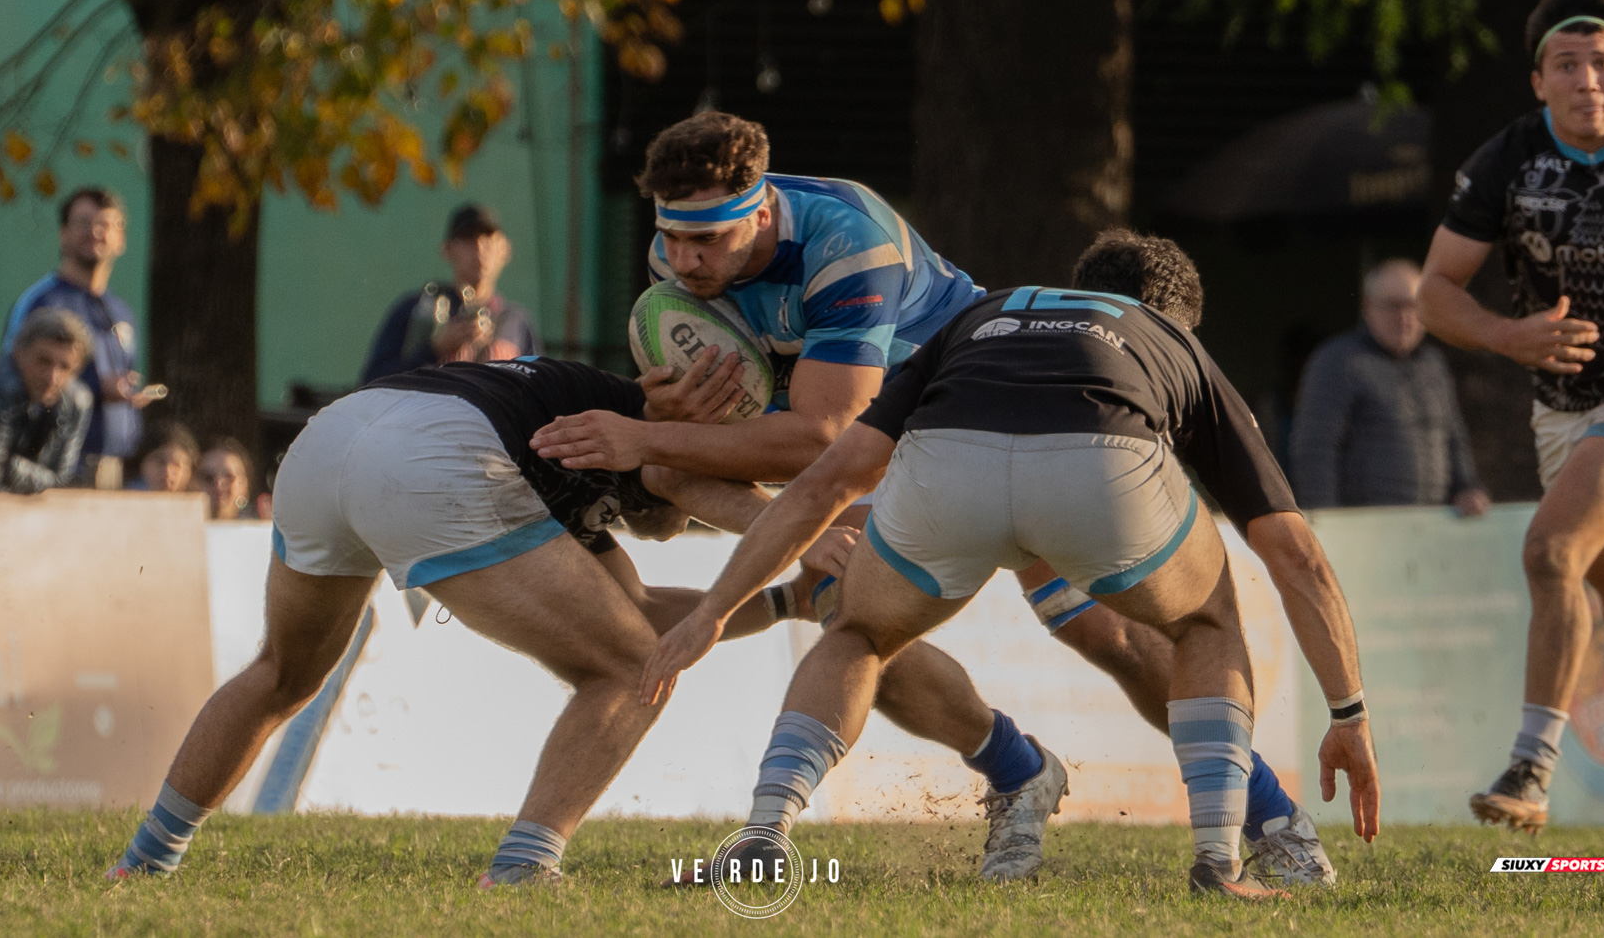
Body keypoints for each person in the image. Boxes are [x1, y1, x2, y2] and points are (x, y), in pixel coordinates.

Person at [530, 115, 1330, 884]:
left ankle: (1270, 821)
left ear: (762, 207)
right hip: (882, 453)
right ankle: (1011, 772)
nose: (685, 260)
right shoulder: (681, 257)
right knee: (834, 596)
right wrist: (668, 415)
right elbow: (742, 424)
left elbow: (823, 436)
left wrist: (647, 437)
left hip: (957, 418)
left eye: (707, 240)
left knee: (1106, 634)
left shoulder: (848, 242)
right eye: (670, 237)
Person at [641, 235, 1381, 899]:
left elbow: (827, 481)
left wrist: (713, 610)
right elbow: (1295, 554)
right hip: (1097, 473)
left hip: (948, 468)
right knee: (1204, 619)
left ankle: (765, 837)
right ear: (1173, 317)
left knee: (859, 631)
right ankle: (1220, 862)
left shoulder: (983, 314)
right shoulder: (1168, 341)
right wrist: (1347, 712)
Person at [107, 354, 853, 888]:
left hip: (329, 439)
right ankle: (524, 868)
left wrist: (787, 599)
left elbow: (649, 612)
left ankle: (144, 859)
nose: (677, 522)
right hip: (436, 452)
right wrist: (811, 534)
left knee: (281, 673)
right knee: (631, 669)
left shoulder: (572, 461)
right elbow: (672, 477)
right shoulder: (641, 436)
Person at [1419, 0, 1604, 832]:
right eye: (1568, 64)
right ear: (1538, 81)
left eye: (1603, 63)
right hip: (1562, 406)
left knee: (1551, 549)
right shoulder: (1505, 161)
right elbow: (1435, 293)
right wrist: (1507, 336)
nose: (1587, 79)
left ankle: (1529, 769)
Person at [1291, 259, 1490, 515]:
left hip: (1432, 527)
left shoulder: (1433, 364)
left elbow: (1453, 437)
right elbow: (1314, 449)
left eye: (1413, 306)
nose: (1405, 318)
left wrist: (1467, 487)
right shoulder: (1337, 362)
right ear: (1367, 307)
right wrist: (1327, 528)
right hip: (1367, 530)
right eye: (1393, 306)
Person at [3, 187, 157, 474]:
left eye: (106, 224)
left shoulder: (122, 312)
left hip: (119, 466)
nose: (95, 232)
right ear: (63, 234)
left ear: (121, 239)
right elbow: (12, 377)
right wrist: (98, 387)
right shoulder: (42, 302)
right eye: (83, 223)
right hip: (55, 466)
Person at [360, 203, 543, 382]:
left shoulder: (516, 321)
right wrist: (435, 350)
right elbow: (373, 381)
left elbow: (539, 389)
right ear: (447, 250)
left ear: (505, 250)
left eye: (488, 238)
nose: (479, 249)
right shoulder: (417, 310)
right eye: (468, 239)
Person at [0, 308, 94, 493]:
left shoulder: (77, 400)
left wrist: (13, 467)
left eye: (65, 367)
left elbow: (62, 481)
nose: (52, 377)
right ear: (18, 352)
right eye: (43, 361)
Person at [130, 422, 199, 493]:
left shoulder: (205, 501)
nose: (167, 472)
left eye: (177, 464)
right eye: (160, 462)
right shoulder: (124, 499)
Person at [198, 437, 257, 520]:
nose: (219, 484)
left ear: (245, 485)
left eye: (229, 477)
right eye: (209, 478)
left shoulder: (260, 530)